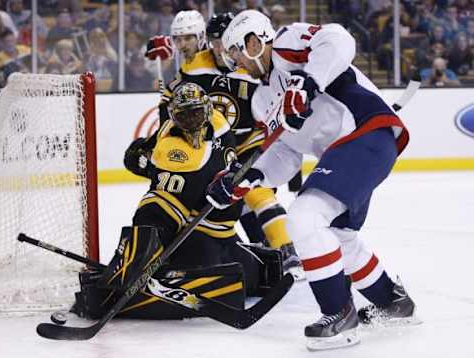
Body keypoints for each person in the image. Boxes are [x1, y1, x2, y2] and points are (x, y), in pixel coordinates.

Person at [206, 10, 418, 351]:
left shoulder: (286, 44)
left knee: (305, 217)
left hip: (366, 131)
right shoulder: (262, 101)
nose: (235, 64)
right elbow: (285, 154)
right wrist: (250, 177)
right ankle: (392, 301)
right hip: (345, 153)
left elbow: (337, 38)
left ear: (254, 41)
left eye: (235, 52)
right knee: (338, 236)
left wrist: (308, 81)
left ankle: (338, 313)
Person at [75, 82, 283, 320]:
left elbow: (214, 176)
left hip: (210, 228)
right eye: (184, 115)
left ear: (207, 110)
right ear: (174, 115)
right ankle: (130, 268)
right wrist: (138, 157)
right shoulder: (169, 133)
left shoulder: (220, 132)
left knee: (245, 273)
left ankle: (135, 276)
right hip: (179, 222)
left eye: (196, 113)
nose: (191, 120)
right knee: (153, 207)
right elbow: (147, 160)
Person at [145, 11, 304, 279]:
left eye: (225, 42)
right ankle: (248, 254)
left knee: (258, 193)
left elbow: (276, 106)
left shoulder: (251, 67)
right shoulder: (195, 67)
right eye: (216, 41)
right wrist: (166, 97)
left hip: (247, 146)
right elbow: (175, 105)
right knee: (217, 203)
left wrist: (289, 148)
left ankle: (287, 253)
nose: (220, 48)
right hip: (211, 150)